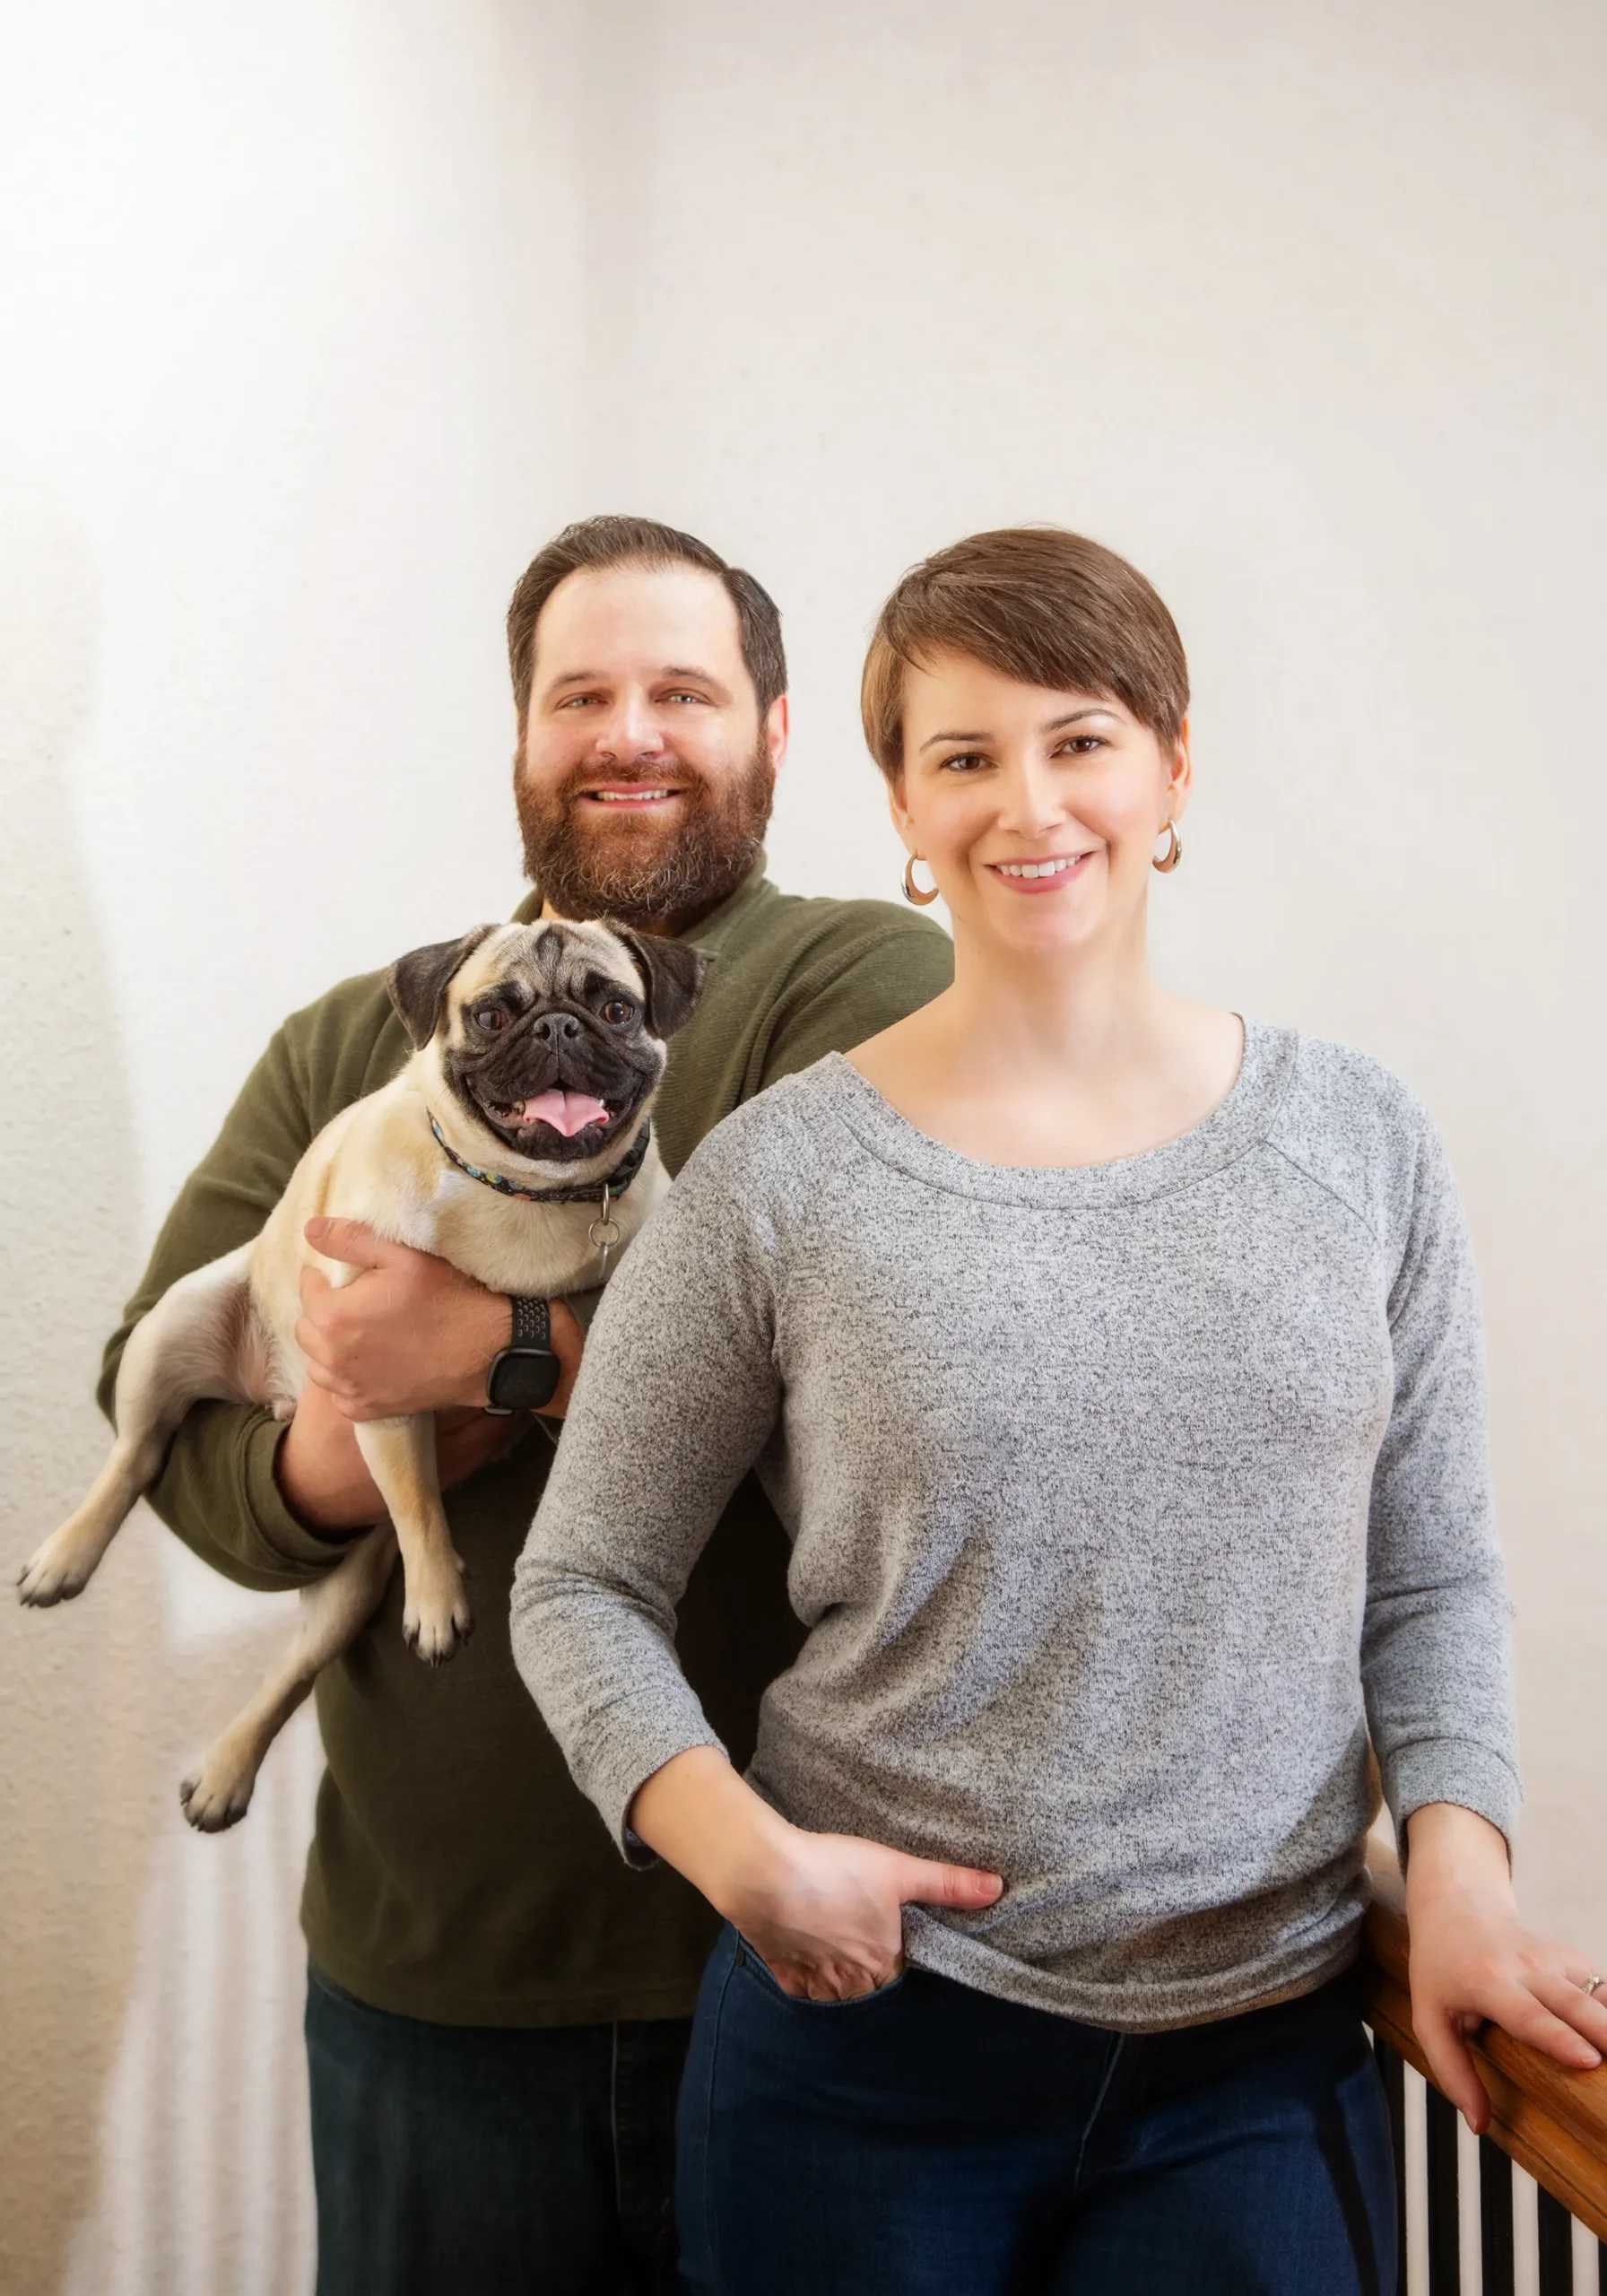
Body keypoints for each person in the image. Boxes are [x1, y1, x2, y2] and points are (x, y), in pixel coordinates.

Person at [511, 526, 1607, 2296]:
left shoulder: (1360, 1140)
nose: (1028, 803)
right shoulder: (778, 1178)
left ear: (1171, 766)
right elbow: (582, 1583)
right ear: (901, 804)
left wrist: (1462, 1879)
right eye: (964, 755)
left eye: (1079, 738)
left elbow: (1428, 1579)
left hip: (1262, 2060)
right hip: (864, 2051)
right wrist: (745, 1858)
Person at [100, 515, 954, 2294]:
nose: (627, 734)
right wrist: (356, 1422)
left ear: (773, 729)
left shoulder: (860, 985)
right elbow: (181, 1444)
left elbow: (884, 1381)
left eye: (681, 693)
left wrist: (489, 1352)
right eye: (580, 696)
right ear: (520, 735)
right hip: (433, 1970)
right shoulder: (351, 1043)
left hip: (797, 1943)